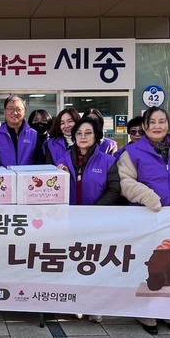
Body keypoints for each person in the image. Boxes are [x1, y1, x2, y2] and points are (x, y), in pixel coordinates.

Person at [117, 106, 170, 335]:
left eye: (162, 121)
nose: (157, 126)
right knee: (148, 263)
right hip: (146, 216)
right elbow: (125, 182)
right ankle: (145, 312)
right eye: (152, 122)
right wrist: (149, 198)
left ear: (168, 124)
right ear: (144, 126)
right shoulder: (132, 152)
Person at [56, 116, 121, 324]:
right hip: (71, 221)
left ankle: (96, 305)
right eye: (79, 133)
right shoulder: (64, 159)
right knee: (74, 263)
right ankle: (77, 302)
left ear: (97, 136)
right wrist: (57, 175)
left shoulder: (107, 161)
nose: (83, 137)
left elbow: (114, 189)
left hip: (97, 222)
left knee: (95, 264)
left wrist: (94, 211)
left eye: (88, 133)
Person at [0, 95, 38, 166]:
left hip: (27, 173)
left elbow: (39, 160)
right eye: (11, 109)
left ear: (24, 112)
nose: (15, 113)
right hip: (3, 173)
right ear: (4, 111)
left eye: (19, 109)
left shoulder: (33, 134)